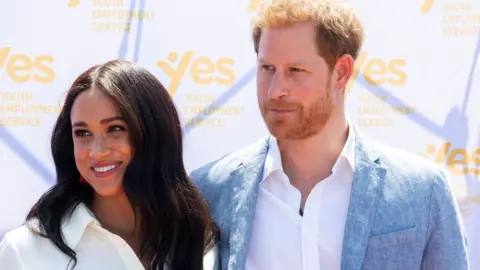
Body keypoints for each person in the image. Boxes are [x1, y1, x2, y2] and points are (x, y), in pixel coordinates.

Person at [190, 0, 469, 269]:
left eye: (295, 71)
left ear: (341, 72)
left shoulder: (422, 191)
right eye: (267, 68)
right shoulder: (210, 190)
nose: (275, 90)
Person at [0, 60, 219, 270]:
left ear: (155, 133)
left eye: (115, 129)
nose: (97, 151)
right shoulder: (26, 250)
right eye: (82, 133)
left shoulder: (201, 238)